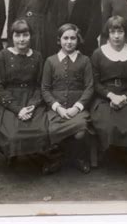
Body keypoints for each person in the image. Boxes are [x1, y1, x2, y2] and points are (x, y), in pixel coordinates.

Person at [0, 20, 49, 171]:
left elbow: (40, 85)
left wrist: (32, 105)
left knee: (40, 130)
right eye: (17, 35)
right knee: (13, 134)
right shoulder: (3, 55)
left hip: (31, 98)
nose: (22, 39)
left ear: (31, 36)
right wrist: (18, 109)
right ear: (12, 37)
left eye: (25, 35)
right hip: (9, 101)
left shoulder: (37, 56)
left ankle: (35, 155)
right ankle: (13, 155)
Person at [90, 16, 127, 165]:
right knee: (108, 125)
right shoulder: (98, 54)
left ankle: (125, 156)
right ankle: (112, 154)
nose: (116, 36)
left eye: (120, 31)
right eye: (112, 31)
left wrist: (124, 97)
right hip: (104, 98)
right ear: (108, 33)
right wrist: (111, 96)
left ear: (125, 33)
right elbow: (94, 83)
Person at [41, 23, 94, 174]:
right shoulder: (50, 61)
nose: (69, 42)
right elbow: (45, 89)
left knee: (80, 131)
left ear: (78, 40)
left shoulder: (85, 61)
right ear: (59, 40)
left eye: (73, 38)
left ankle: (78, 157)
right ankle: (56, 159)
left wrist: (76, 107)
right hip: (56, 110)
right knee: (49, 130)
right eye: (65, 38)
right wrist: (57, 107)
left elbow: (89, 87)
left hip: (77, 109)